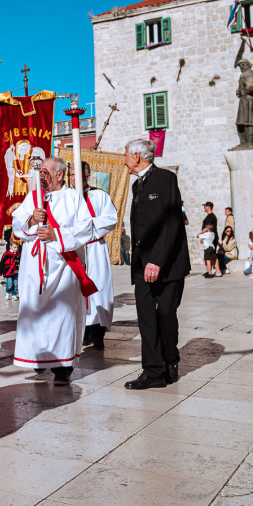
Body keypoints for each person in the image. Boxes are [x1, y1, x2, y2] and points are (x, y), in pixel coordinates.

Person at [12, 158, 100, 385]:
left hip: (64, 268)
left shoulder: (73, 197)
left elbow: (85, 229)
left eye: (45, 171)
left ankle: (63, 368)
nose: (41, 175)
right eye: (40, 171)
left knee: (63, 315)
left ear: (60, 175)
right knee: (36, 315)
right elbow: (16, 224)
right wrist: (31, 219)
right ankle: (39, 359)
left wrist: (56, 236)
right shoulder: (32, 198)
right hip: (35, 268)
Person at [123, 137, 190, 390]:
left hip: (168, 263)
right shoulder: (136, 186)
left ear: (137, 156)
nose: (125, 161)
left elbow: (172, 224)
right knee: (146, 318)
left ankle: (171, 360)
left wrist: (157, 261)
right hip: (142, 265)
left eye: (126, 156)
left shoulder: (166, 179)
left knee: (165, 315)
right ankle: (153, 371)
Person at [73, 161, 118, 351]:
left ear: (88, 177)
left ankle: (98, 333)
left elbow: (110, 219)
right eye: (72, 176)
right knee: (77, 290)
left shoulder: (99, 195)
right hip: (74, 249)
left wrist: (86, 225)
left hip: (94, 249)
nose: (75, 180)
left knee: (98, 291)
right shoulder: (67, 197)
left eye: (79, 176)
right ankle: (81, 331)